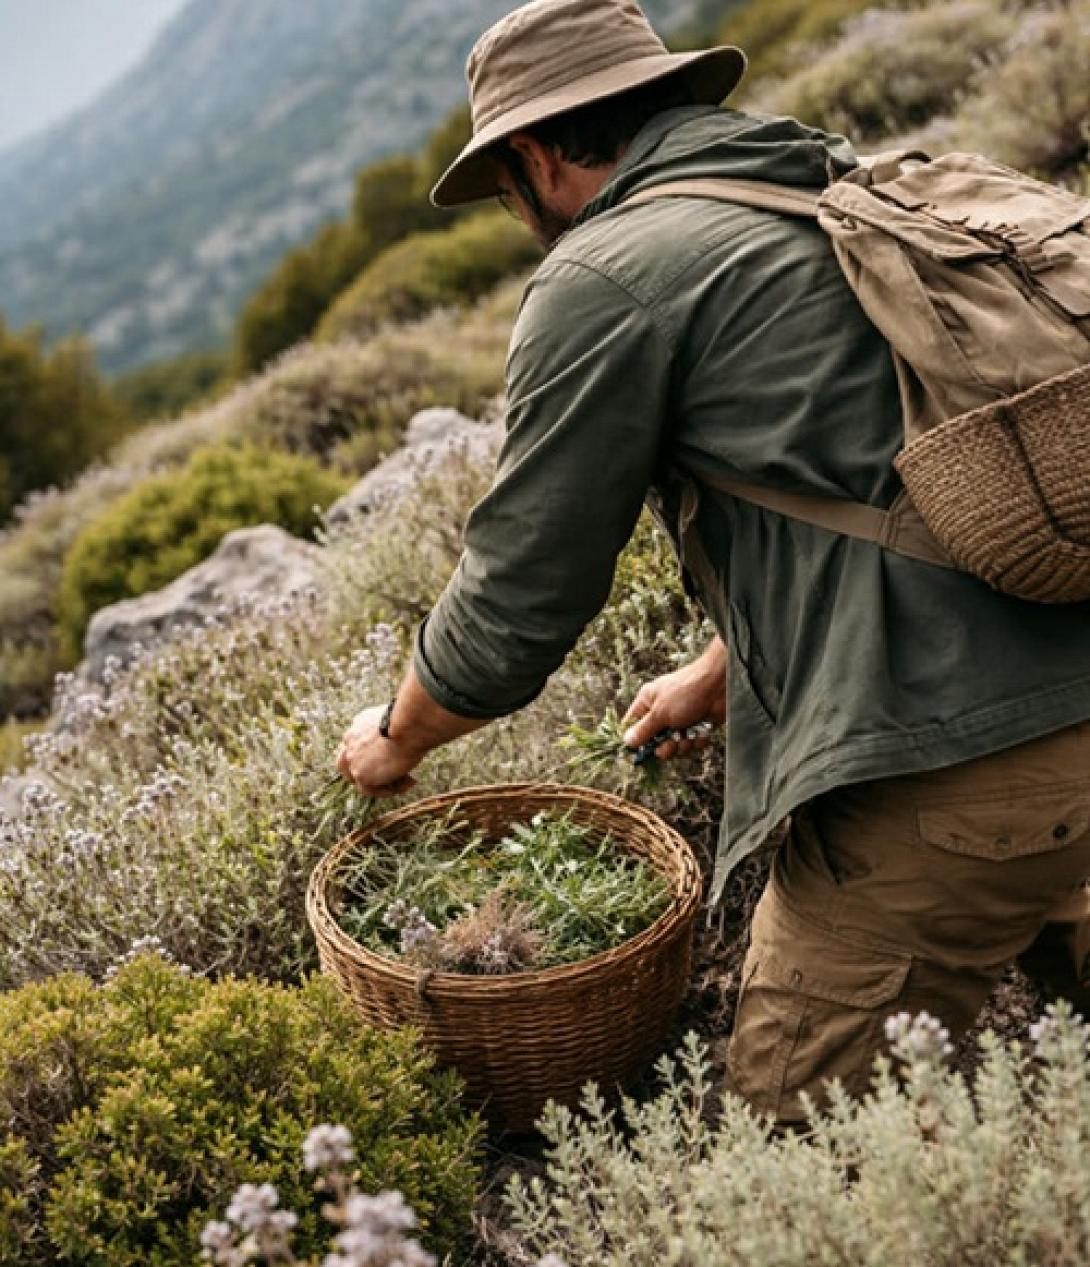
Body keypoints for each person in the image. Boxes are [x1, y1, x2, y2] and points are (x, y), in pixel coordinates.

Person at [336, 0, 1090, 1126]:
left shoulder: (604, 275)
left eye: (504, 185)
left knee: (796, 1136)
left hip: (961, 755)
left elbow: (515, 603)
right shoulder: (826, 180)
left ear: (537, 155)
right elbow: (891, 471)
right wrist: (720, 665)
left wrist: (394, 742)